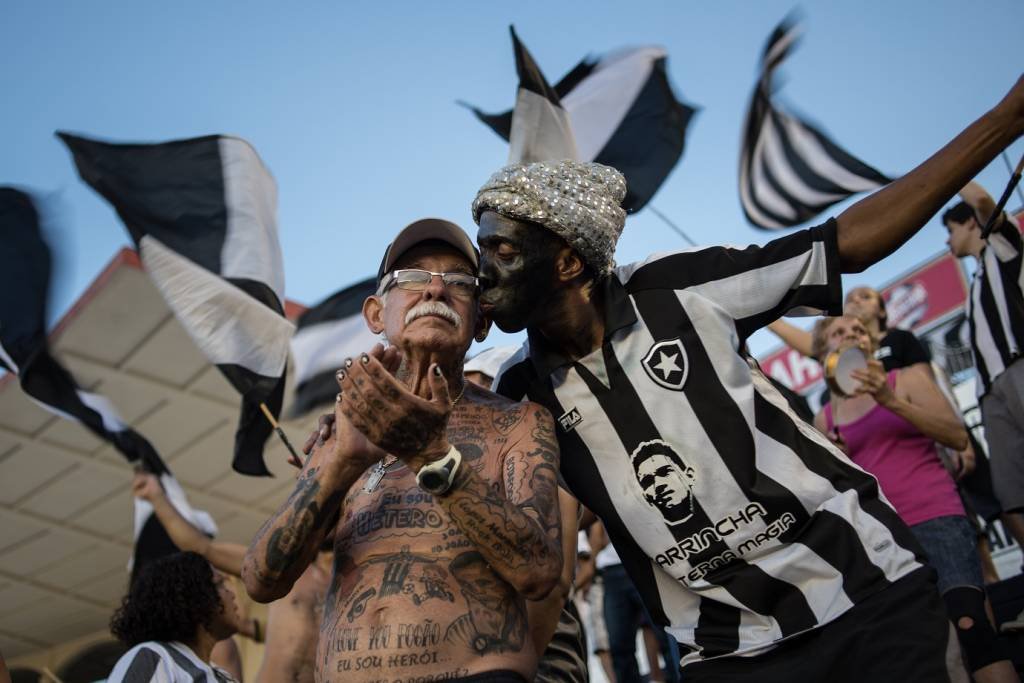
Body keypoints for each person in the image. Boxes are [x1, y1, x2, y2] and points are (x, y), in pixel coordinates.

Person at [471, 76, 1024, 681]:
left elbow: (842, 247)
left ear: (570, 262)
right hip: (728, 655)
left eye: (500, 252)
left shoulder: (674, 288)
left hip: (862, 593)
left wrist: (1004, 119)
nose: (481, 274)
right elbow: (539, 552)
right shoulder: (523, 394)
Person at [241, 219, 563, 683]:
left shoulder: (519, 423)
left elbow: (540, 572)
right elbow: (262, 580)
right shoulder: (340, 434)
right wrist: (343, 462)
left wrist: (432, 455)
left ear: (482, 321)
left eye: (459, 281)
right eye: (412, 278)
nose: (435, 290)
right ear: (375, 314)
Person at [812, 315, 1017, 682]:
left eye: (857, 329)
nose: (850, 335)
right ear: (823, 352)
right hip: (883, 539)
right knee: (923, 650)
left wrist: (890, 400)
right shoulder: (823, 419)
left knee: (972, 627)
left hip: (937, 516)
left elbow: (956, 436)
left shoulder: (904, 379)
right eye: (837, 332)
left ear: (871, 342)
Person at [131, 471, 331, 683]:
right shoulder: (284, 567)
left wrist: (252, 628)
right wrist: (157, 497)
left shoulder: (356, 582)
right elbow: (203, 547)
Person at [465, 346, 589, 683]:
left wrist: (514, 670)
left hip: (541, 653)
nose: (469, 400)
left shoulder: (535, 446)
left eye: (479, 386)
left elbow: (556, 584)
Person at [943, 181, 1024, 543]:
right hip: (992, 392)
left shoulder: (1003, 249)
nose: (947, 241)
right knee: (1012, 496)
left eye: (950, 230)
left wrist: (950, 172)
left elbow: (980, 199)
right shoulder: (976, 282)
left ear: (973, 224)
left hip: (1018, 370)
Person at [108, 551, 240, 682]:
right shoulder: (154, 657)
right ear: (196, 597)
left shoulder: (225, 679)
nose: (231, 594)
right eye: (220, 584)